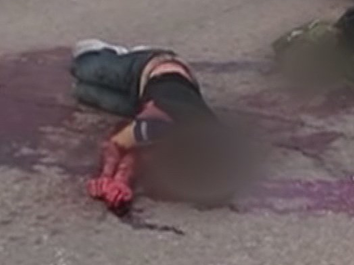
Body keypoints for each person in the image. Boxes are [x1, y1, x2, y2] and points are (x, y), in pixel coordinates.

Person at [70, 40, 236, 214]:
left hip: (148, 97)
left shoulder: (204, 139)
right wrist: (106, 177)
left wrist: (121, 183)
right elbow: (117, 143)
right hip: (153, 67)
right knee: (81, 67)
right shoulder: (160, 124)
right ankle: (124, 53)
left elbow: (141, 154)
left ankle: (129, 73)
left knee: (81, 92)